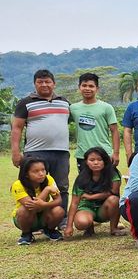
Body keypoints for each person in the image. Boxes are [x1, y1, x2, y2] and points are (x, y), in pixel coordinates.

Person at [11, 70, 71, 223]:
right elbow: (17, 127)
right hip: (34, 152)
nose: (44, 84)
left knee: (61, 186)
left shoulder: (64, 102)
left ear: (54, 83)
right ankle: (32, 220)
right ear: (35, 84)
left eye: (47, 81)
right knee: (31, 185)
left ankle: (61, 220)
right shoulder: (25, 102)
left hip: (61, 152)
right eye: (40, 82)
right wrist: (15, 152)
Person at [64, 147, 125, 238]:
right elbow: (74, 203)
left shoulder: (113, 174)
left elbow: (113, 193)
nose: (96, 163)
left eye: (99, 160)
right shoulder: (81, 178)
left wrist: (91, 197)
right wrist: (69, 226)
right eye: (91, 160)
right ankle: (89, 227)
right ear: (86, 162)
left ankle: (113, 228)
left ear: (105, 161)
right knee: (81, 223)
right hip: (86, 207)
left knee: (114, 199)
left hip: (104, 208)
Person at [70, 73, 120, 168]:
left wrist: (116, 153)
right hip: (82, 155)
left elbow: (114, 131)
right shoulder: (73, 108)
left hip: (104, 154)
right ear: (79, 87)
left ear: (97, 88)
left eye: (91, 86)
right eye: (84, 85)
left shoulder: (106, 107)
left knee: (106, 182)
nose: (87, 89)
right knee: (85, 182)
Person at [12, 156, 65, 245]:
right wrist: (47, 189)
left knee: (59, 210)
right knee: (23, 210)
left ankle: (50, 230)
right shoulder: (18, 185)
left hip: (43, 215)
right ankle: (26, 234)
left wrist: (44, 205)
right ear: (26, 174)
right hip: (25, 218)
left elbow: (59, 200)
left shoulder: (49, 179)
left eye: (43, 170)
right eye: (35, 171)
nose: (41, 174)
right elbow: (32, 206)